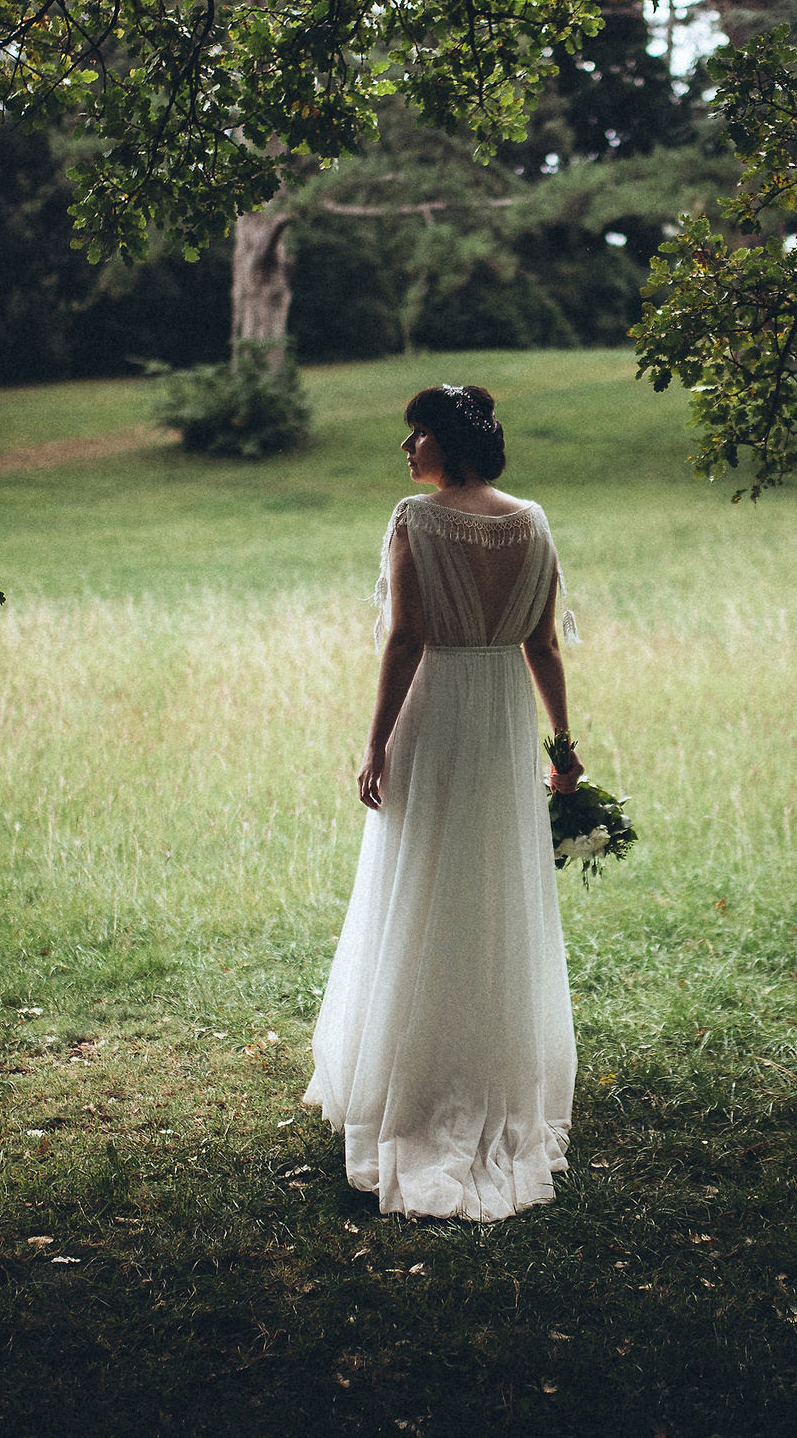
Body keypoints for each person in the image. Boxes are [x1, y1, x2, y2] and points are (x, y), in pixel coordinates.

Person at [301, 384, 583, 1220]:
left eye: (415, 433)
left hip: (437, 714)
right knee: (490, 892)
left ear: (448, 443)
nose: (405, 448)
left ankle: (414, 1080)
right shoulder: (532, 520)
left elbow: (405, 637)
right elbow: (542, 642)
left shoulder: (414, 521)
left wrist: (376, 740)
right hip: (500, 721)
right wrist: (560, 744)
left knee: (420, 882)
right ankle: (486, 1071)